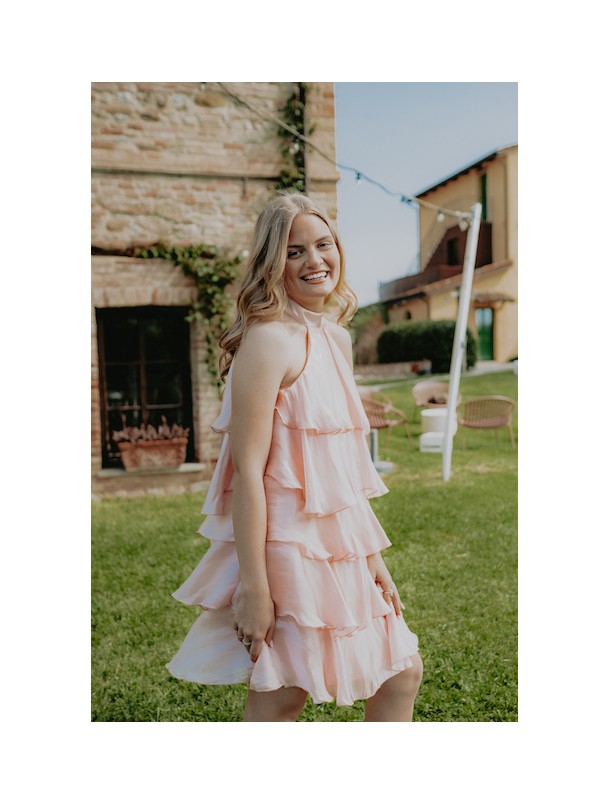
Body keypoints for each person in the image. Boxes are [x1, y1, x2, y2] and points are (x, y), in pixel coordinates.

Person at [166, 192, 423, 721]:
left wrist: (371, 558)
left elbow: (340, 471)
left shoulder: (336, 339)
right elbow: (248, 475)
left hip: (338, 543)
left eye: (323, 245)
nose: (315, 260)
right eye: (294, 250)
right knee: (284, 693)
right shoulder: (268, 342)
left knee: (400, 672)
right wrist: (254, 589)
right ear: (271, 262)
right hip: (285, 545)